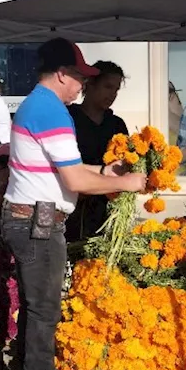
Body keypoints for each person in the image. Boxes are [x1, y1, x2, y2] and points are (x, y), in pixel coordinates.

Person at [2, 38, 145, 370]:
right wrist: (129, 183)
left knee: (39, 309)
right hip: (38, 223)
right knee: (44, 312)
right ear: (62, 74)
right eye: (81, 77)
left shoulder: (41, 105)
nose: (83, 85)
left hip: (35, 218)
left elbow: (71, 171)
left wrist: (109, 173)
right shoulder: (51, 110)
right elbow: (74, 178)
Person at [66, 61, 130, 241]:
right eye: (108, 87)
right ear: (90, 84)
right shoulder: (69, 118)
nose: (112, 94)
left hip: (107, 208)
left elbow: (127, 162)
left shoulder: (116, 124)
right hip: (72, 205)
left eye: (116, 90)